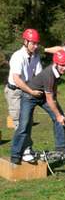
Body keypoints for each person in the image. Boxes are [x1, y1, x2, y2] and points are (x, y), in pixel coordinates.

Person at [10, 50, 65, 165]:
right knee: (24, 125)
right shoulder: (49, 74)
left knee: (59, 116)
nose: (64, 68)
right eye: (62, 65)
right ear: (56, 63)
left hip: (42, 95)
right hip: (29, 96)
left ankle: (61, 146)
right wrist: (57, 115)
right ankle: (15, 155)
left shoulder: (56, 71)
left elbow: (52, 91)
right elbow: (49, 99)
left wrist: (58, 113)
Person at [4, 29, 44, 161]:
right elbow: (17, 79)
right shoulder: (17, 56)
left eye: (37, 43)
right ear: (25, 42)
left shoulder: (35, 55)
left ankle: (27, 149)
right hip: (15, 91)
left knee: (28, 121)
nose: (36, 46)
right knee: (19, 122)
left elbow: (38, 75)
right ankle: (25, 150)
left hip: (27, 89)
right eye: (33, 43)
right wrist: (32, 91)